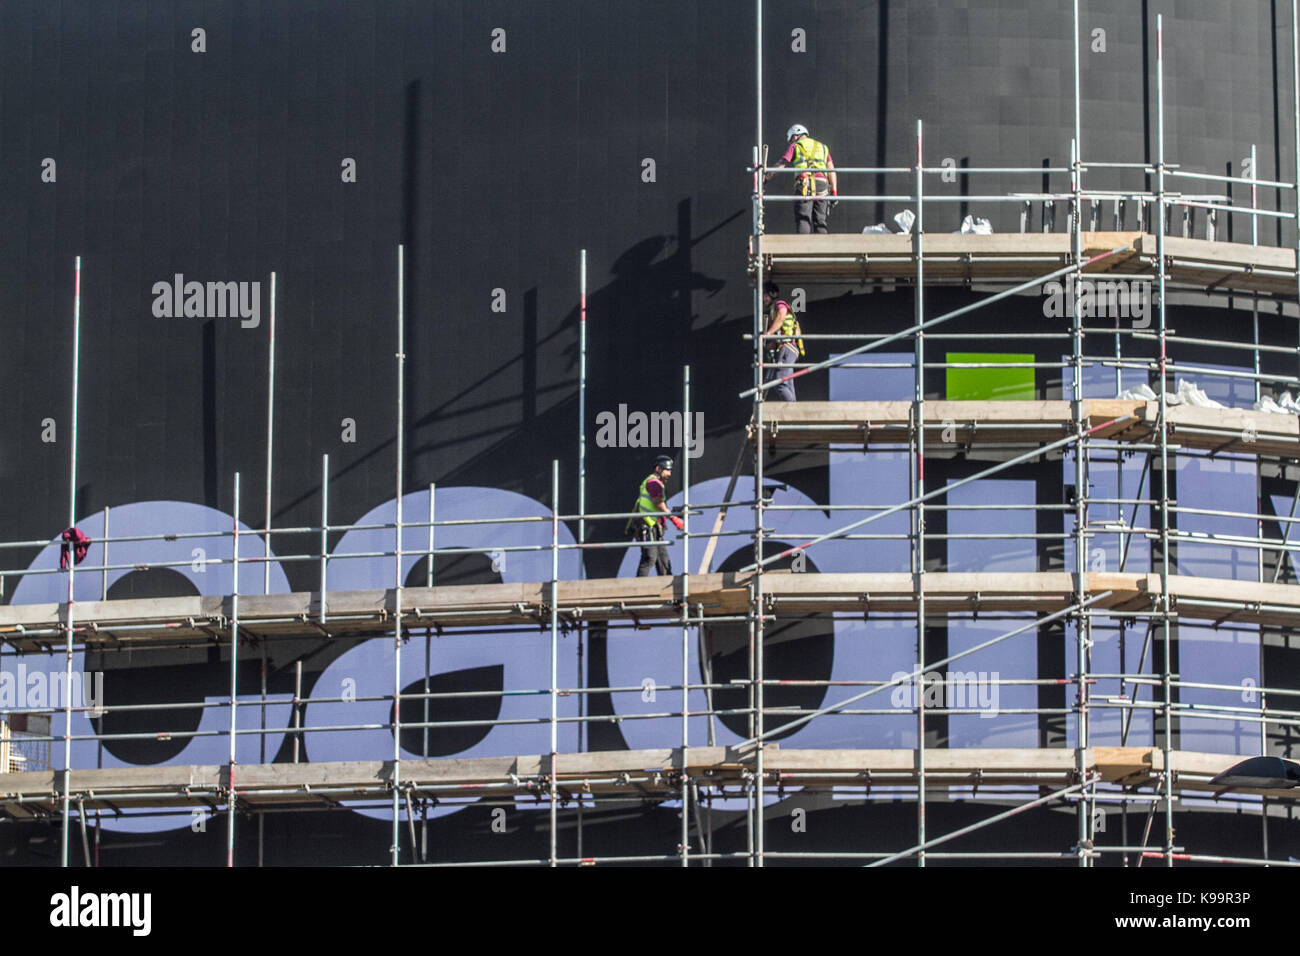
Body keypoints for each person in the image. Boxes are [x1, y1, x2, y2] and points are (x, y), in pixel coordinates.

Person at [769, 124, 839, 234]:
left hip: (805, 185)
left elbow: (781, 164)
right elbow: (831, 170)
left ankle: (804, 250)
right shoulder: (823, 147)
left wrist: (766, 177)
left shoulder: (795, 146)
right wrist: (834, 192)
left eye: (791, 139)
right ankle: (823, 250)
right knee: (820, 220)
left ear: (795, 136)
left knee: (803, 219)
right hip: (822, 185)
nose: (792, 142)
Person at [626, 455, 684, 576]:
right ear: (658, 469)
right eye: (667, 470)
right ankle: (638, 589)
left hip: (654, 528)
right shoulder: (654, 483)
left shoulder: (654, 483)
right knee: (650, 557)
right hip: (647, 527)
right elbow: (657, 502)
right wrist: (673, 518)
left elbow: (656, 504)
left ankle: (666, 589)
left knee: (663, 561)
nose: (669, 473)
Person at [762, 282, 804, 402]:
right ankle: (793, 412)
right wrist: (762, 347)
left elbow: (781, 317)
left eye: (766, 295)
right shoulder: (772, 314)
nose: (764, 298)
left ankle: (793, 412)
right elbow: (775, 342)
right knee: (787, 384)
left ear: (773, 294)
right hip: (787, 348)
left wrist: (768, 334)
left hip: (787, 347)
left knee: (780, 383)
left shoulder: (780, 304)